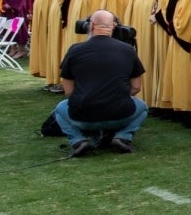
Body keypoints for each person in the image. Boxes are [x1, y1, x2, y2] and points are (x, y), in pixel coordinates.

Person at [54, 10, 147, 156]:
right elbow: (136, 87)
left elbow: (69, 91)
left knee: (60, 108)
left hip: (83, 117)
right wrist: (118, 97)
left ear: (91, 25)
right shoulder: (128, 50)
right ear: (114, 26)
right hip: (121, 115)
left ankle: (78, 140)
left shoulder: (75, 50)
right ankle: (123, 137)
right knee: (142, 107)